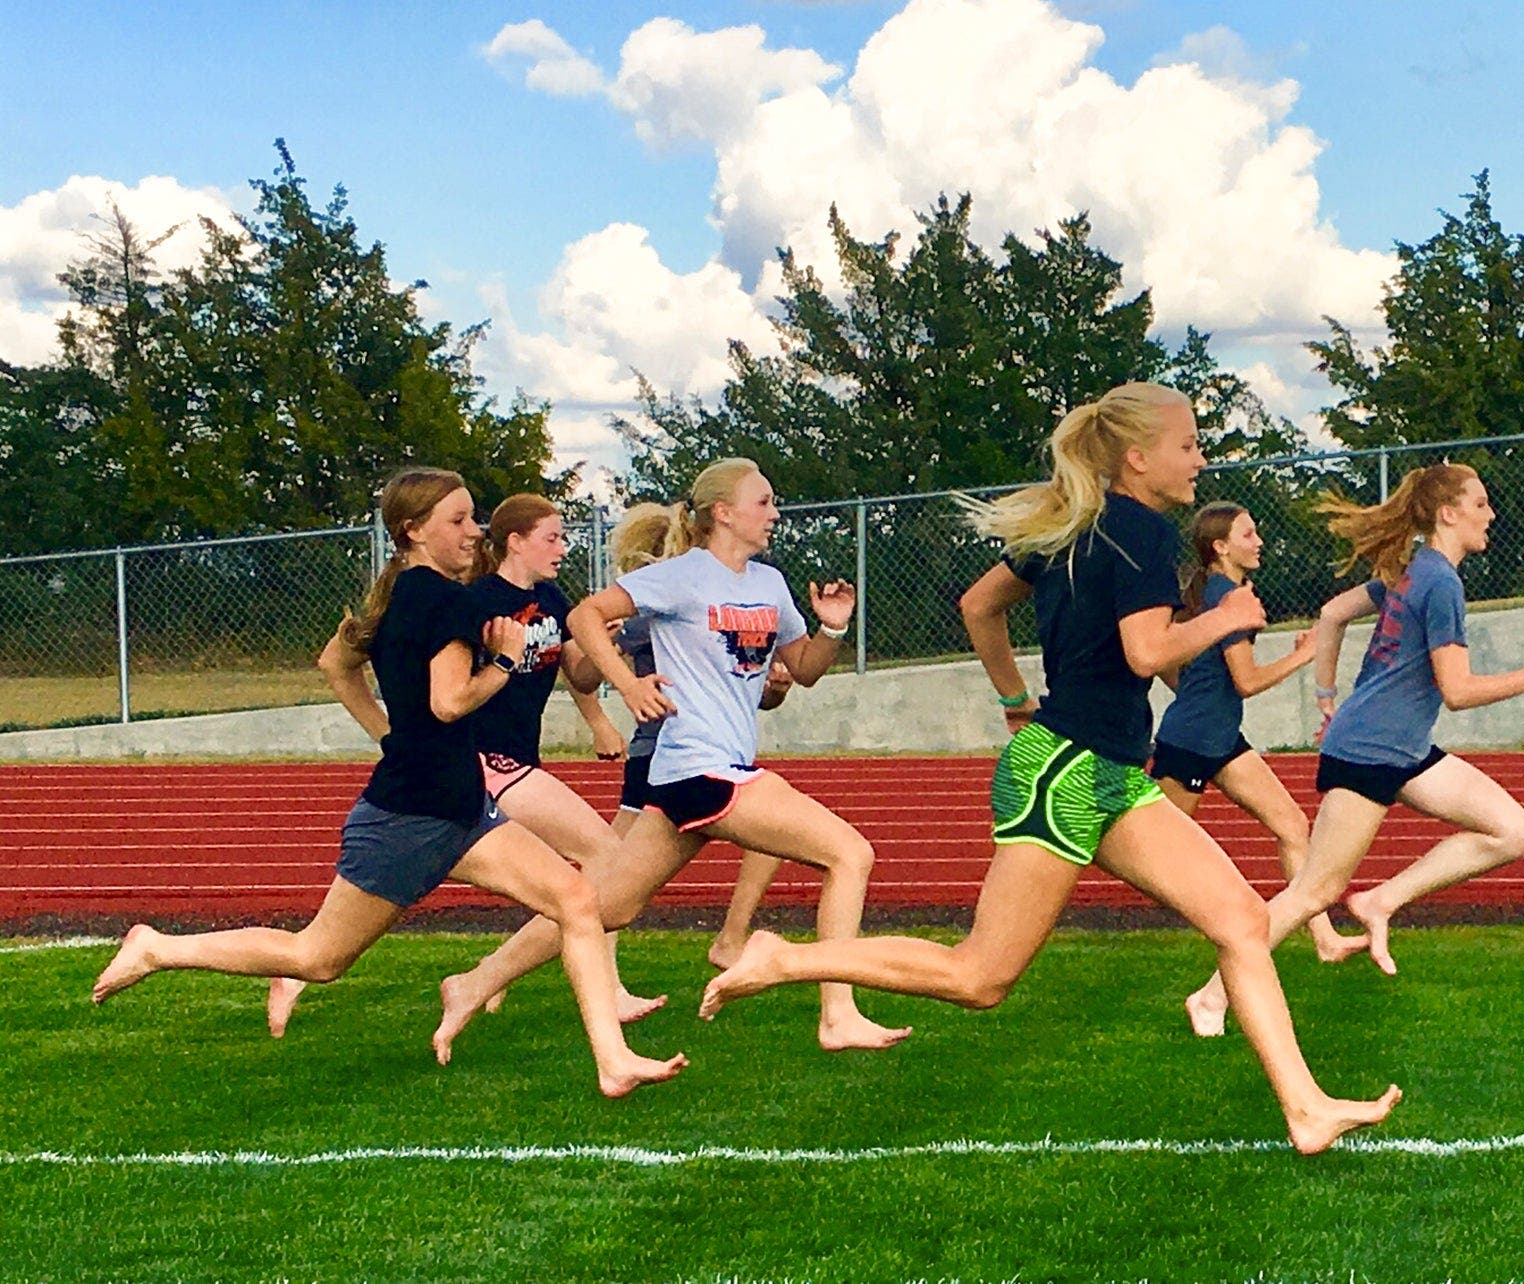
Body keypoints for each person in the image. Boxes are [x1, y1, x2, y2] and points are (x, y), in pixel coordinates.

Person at [698, 383, 1400, 1155]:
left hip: (1101, 770)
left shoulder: (1072, 525)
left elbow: (978, 606)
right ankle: (785, 957)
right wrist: (1223, 620)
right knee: (979, 977)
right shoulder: (1138, 533)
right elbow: (1146, 652)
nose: (1200, 459)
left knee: (1241, 921)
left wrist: (1013, 698)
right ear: (1137, 457)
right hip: (1065, 772)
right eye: (1189, 444)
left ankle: (1305, 1108)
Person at [91, 468, 687, 1098]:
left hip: (461, 804)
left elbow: (350, 669)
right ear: (413, 530)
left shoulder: (407, 592)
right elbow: (450, 702)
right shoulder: (443, 600)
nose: (472, 530)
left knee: (576, 898)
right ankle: (157, 947)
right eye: (457, 520)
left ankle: (613, 1060)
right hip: (410, 812)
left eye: (473, 517)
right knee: (317, 957)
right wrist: (507, 660)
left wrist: (392, 734)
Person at [429, 459, 911, 1058]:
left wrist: (832, 629)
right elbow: (584, 617)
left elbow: (804, 671)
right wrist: (627, 688)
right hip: (701, 767)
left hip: (697, 775)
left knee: (604, 904)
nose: (776, 513)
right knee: (850, 852)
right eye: (764, 502)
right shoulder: (681, 577)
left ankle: (473, 983)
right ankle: (837, 1012)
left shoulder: (770, 584)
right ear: (723, 513)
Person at [1182, 463, 1524, 1036]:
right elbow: (1457, 691)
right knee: (1314, 891)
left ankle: (1380, 902)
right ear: (1448, 514)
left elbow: (1332, 614)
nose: (1490, 514)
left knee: (1511, 830)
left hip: (1400, 748)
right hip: (1372, 752)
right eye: (1480, 503)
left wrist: (1326, 695)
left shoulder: (1413, 569)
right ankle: (1211, 995)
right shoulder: (1440, 581)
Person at [270, 492, 668, 1038]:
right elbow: (346, 664)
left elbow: (575, 674)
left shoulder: (550, 598)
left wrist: (606, 672)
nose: (562, 547)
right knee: (603, 859)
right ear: (517, 541)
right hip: (486, 761)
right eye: (551, 537)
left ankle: (305, 968)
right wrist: (389, 735)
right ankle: (566, 987)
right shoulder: (469, 599)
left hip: (501, 769)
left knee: (389, 902)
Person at [603, 501, 793, 974]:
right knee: (605, 885)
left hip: (716, 754)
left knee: (776, 837)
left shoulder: (726, 592)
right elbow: (583, 667)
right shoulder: (658, 596)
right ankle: (511, 971)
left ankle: (731, 938)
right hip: (662, 752)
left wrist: (772, 686)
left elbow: (751, 685)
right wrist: (618, 680)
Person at [1149, 502, 1345, 961]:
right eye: (1248, 534)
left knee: (1293, 825)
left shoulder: (1221, 592)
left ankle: (1325, 939)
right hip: (1193, 743)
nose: (1259, 542)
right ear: (1221, 547)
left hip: (1221, 740)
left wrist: (1193, 692)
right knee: (1156, 846)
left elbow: (1170, 664)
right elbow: (1247, 681)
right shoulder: (1224, 597)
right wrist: (1304, 655)